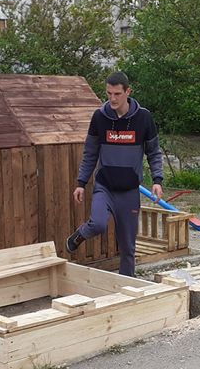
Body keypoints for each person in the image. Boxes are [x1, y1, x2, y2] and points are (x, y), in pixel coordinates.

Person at [66, 71, 163, 277]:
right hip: (105, 187)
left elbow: (154, 152)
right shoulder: (100, 117)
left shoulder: (143, 118)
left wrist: (157, 180)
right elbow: (90, 153)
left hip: (129, 191)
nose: (112, 98)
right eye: (109, 93)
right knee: (98, 223)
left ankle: (126, 286)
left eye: (117, 94)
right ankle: (79, 235)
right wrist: (81, 183)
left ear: (128, 92)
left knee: (128, 247)